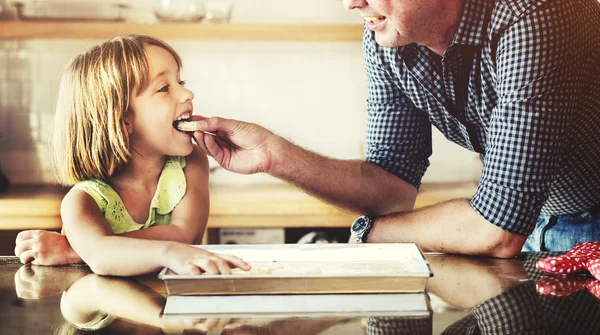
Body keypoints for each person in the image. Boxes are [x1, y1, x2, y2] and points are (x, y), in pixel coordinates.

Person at [191, 0, 600, 256]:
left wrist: (373, 232)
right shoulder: (388, 40)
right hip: (538, 227)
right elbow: (391, 183)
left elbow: (496, 229)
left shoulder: (536, 13)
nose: (351, 3)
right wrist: (273, 156)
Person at [13, 35, 249, 276]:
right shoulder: (83, 201)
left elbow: (186, 235)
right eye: (164, 88)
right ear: (124, 119)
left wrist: (77, 251)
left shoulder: (191, 163)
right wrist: (96, 251)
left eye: (181, 81)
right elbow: (101, 256)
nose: (187, 93)